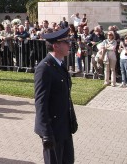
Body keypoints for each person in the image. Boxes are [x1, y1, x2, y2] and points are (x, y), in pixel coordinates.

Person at [34, 28, 78, 164]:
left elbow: (66, 96)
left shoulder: (60, 64)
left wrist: (72, 118)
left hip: (64, 125)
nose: (69, 45)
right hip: (52, 128)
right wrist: (46, 132)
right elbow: (41, 102)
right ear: (56, 45)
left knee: (67, 160)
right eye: (66, 42)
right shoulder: (44, 68)